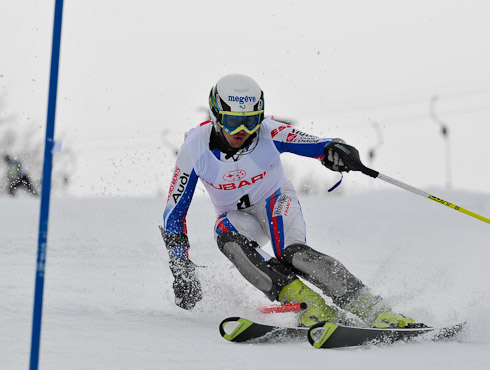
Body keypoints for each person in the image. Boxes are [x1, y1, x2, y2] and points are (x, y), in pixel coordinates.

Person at [161, 74, 417, 329]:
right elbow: (174, 214)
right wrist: (180, 265)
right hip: (238, 218)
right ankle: (309, 305)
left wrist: (337, 150)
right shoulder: (194, 148)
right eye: (233, 122)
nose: (243, 131)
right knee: (225, 234)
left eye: (250, 121)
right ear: (216, 117)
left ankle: (373, 308)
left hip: (275, 201)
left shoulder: (268, 132)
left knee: (292, 254)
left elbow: (318, 144)